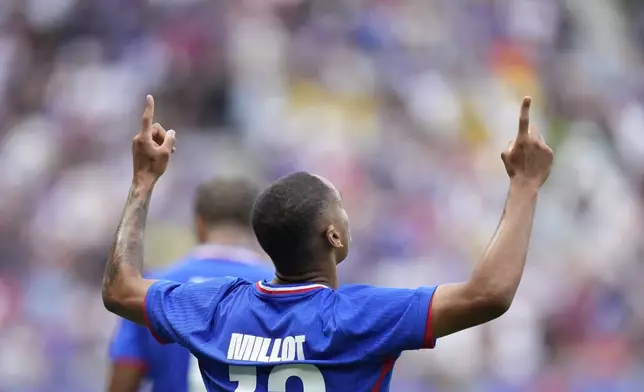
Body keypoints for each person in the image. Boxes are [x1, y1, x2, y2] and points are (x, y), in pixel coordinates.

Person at [102, 95, 553, 391]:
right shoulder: (359, 318)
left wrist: (142, 182)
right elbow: (488, 294)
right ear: (332, 235)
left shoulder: (215, 308)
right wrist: (525, 186)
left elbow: (120, 289)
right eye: (340, 206)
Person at [107, 176, 273, 392]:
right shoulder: (284, 290)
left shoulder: (151, 289)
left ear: (199, 224)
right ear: (255, 226)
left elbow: (123, 382)